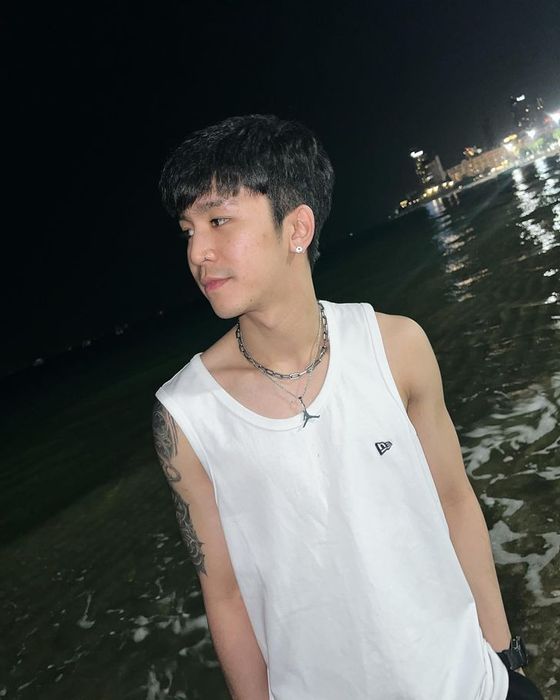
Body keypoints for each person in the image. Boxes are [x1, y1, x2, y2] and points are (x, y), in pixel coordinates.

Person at [152, 114, 544, 700]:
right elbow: (225, 593)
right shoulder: (186, 415)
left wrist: (503, 656)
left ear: (297, 227)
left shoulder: (397, 346)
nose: (198, 252)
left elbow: (454, 498)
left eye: (218, 221)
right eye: (188, 230)